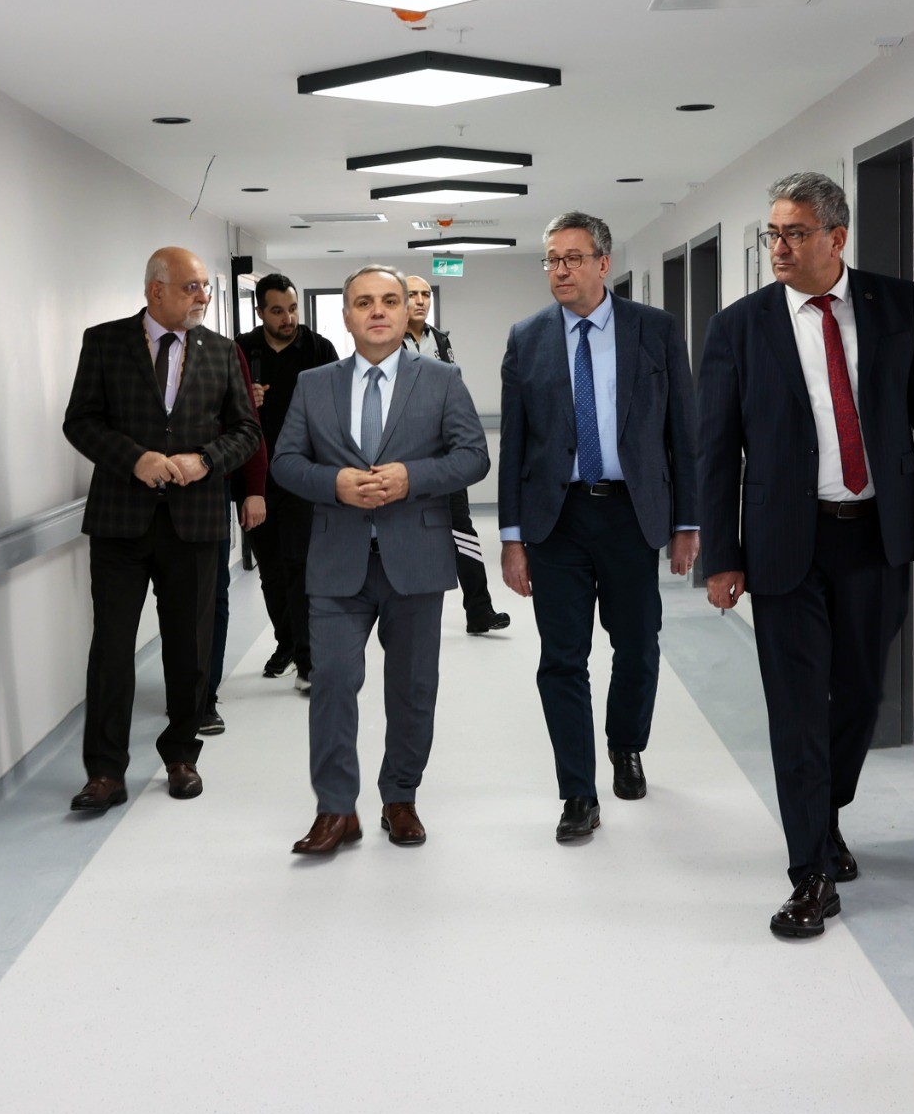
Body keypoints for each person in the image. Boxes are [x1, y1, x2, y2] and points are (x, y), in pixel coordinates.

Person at [697, 172, 914, 939]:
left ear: (836, 238)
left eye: (794, 233)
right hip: (785, 540)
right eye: (772, 234)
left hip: (876, 535)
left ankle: (824, 810)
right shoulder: (739, 327)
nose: (779, 248)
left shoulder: (895, 305)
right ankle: (810, 872)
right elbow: (716, 449)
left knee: (859, 695)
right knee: (794, 710)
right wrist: (722, 555)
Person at [268, 265, 489, 856]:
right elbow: (285, 462)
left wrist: (412, 477)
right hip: (337, 560)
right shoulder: (314, 384)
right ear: (345, 316)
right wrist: (333, 483)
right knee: (333, 684)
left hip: (416, 557)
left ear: (406, 310)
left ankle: (400, 797)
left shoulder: (441, 379)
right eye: (364, 302)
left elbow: (473, 456)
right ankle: (336, 809)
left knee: (412, 688)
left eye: (390, 300)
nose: (378, 311)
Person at [496, 213, 700, 844]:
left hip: (630, 514)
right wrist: (511, 537)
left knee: (638, 645)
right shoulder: (527, 337)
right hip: (556, 520)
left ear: (603, 263)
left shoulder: (655, 330)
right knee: (562, 658)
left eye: (573, 258)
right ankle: (577, 792)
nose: (560, 270)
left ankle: (626, 744)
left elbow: (683, 433)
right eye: (551, 259)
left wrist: (687, 523)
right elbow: (515, 444)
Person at [61, 247, 261, 811]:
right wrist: (135, 459)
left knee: (190, 649)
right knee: (111, 649)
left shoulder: (221, 351)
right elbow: (80, 422)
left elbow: (247, 431)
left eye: (205, 287)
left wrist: (206, 460)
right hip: (120, 523)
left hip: (194, 523)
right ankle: (105, 772)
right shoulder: (105, 342)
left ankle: (181, 756)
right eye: (192, 286)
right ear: (156, 290)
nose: (203, 297)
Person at [238, 273, 340, 693]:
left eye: (293, 308)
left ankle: (308, 659)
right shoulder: (240, 351)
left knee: (299, 565)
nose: (288, 318)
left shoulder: (319, 349)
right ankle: (287, 643)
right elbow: (219, 412)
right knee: (271, 570)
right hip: (256, 478)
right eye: (278, 311)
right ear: (260, 311)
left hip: (303, 475)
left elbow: (340, 406)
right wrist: (244, 400)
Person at [403, 273, 510, 636]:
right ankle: (408, 616)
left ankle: (480, 611)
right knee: (409, 534)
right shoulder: (389, 341)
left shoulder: (440, 340)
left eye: (425, 294)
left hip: (447, 454)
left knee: (462, 530)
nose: (421, 300)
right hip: (408, 457)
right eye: (412, 294)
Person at [197, 345, 269, 736]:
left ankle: (204, 697)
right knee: (176, 599)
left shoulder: (223, 352)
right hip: (150, 493)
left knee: (212, 594)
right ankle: (184, 689)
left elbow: (248, 423)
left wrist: (254, 488)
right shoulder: (132, 347)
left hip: (210, 487)